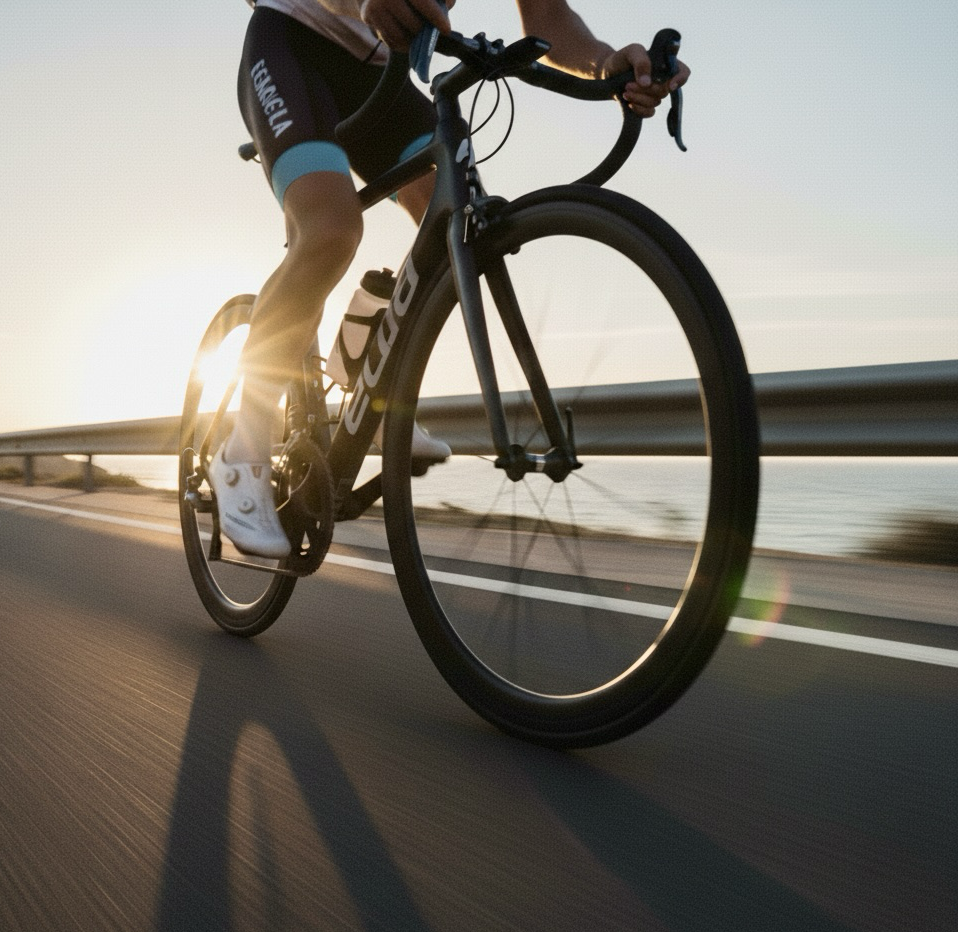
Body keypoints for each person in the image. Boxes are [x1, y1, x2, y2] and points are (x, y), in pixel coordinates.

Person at [214, 0, 689, 557]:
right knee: (330, 232)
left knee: (456, 220)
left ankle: (363, 368)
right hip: (293, 45)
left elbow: (547, 18)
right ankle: (242, 450)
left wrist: (606, 64)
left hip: (379, 72)